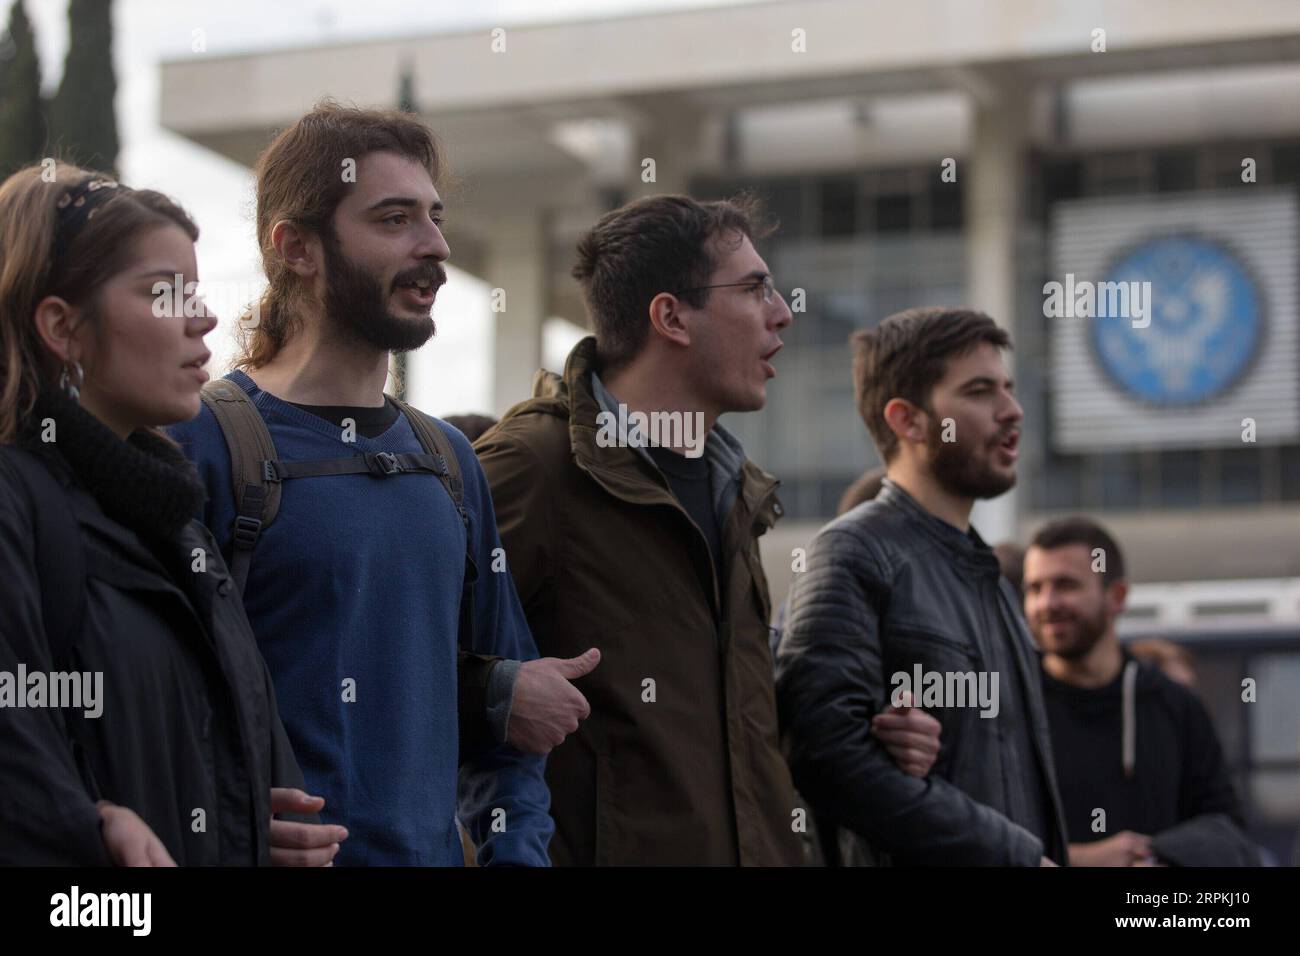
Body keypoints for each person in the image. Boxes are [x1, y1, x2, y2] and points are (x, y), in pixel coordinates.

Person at [474, 194, 940, 865]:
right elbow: (399, 663)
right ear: (671, 317)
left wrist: (866, 726)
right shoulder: (533, 465)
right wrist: (494, 693)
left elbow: (726, 715)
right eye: (754, 289)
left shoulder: (735, 488)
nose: (782, 312)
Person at [168, 104, 561, 865]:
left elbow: (508, 724)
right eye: (394, 220)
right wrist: (224, 827)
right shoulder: (201, 444)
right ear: (297, 248)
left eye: (435, 218)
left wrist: (517, 853)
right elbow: (141, 712)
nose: (435, 247)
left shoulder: (449, 460)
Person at [0, 163, 344, 865]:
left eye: (195, 289)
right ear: (62, 327)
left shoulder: (173, 517)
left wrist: (237, 831)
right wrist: (82, 829)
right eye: (164, 292)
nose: (204, 316)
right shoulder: (18, 500)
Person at [776, 306, 1069, 866]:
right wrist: (1016, 857)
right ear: (907, 420)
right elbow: (825, 754)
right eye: (980, 392)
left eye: (1007, 388)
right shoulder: (853, 552)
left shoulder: (994, 582)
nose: (1012, 410)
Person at [1023, 517, 1256, 866]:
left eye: (1066, 585)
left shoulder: (1172, 705)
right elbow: (982, 833)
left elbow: (1227, 829)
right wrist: (1083, 859)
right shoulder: (1011, 706)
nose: (1047, 604)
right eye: (1035, 589)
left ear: (1117, 596)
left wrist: (1153, 855)